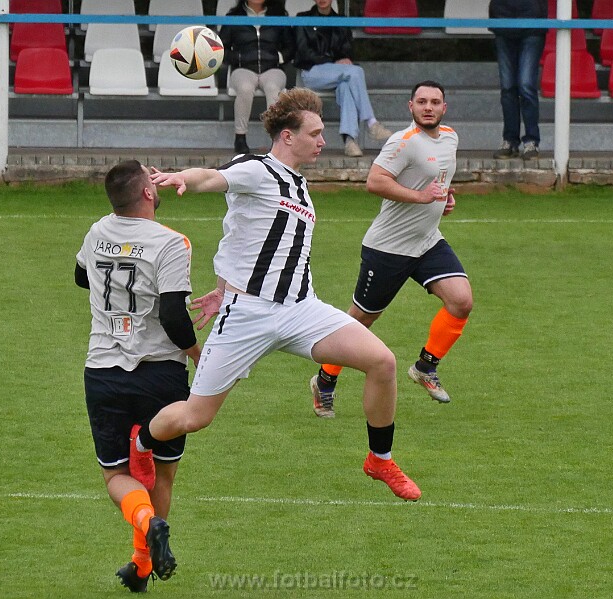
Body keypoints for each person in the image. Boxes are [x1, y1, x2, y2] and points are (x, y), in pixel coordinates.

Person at [142, 87, 421, 501]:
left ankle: (379, 459)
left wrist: (221, 286)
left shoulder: (300, 186)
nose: (323, 141)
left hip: (301, 309)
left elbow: (241, 236)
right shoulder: (257, 169)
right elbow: (212, 177)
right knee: (195, 417)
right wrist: (184, 177)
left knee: (382, 361)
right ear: (287, 136)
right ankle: (141, 443)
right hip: (248, 315)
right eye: (315, 133)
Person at [310, 81, 471, 418]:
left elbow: (437, 180)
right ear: (411, 106)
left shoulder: (450, 137)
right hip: (388, 248)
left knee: (461, 301)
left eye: (435, 102)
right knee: (360, 322)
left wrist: (444, 199)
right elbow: (375, 181)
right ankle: (324, 380)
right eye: (422, 101)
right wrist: (422, 198)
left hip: (427, 241)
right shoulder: (403, 141)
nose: (428, 107)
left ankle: (425, 367)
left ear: (444, 107)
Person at [75, 160, 200, 592]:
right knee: (162, 474)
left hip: (104, 371)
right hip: (161, 374)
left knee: (117, 476)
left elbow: (81, 276)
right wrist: (199, 355)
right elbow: (173, 315)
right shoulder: (171, 242)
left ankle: (143, 552)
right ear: (148, 192)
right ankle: (145, 552)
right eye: (152, 177)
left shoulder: (96, 232)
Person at [293, 0, 392, 157]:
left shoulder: (341, 21)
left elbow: (347, 50)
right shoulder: (303, 18)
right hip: (312, 71)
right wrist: (333, 61)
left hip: (338, 74)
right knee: (356, 72)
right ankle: (371, 122)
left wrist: (342, 59)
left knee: (346, 86)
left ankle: (350, 142)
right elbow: (304, 52)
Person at [219, 0, 294, 154]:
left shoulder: (279, 16)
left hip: (273, 68)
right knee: (245, 88)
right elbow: (221, 49)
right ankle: (240, 137)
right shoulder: (234, 17)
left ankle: (276, 139)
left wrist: (279, 57)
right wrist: (239, 58)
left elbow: (291, 47)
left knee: (273, 88)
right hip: (243, 68)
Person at [490, 0, 546, 160]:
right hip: (503, 23)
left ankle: (531, 141)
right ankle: (510, 140)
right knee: (508, 87)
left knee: (526, 85)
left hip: (532, 25)